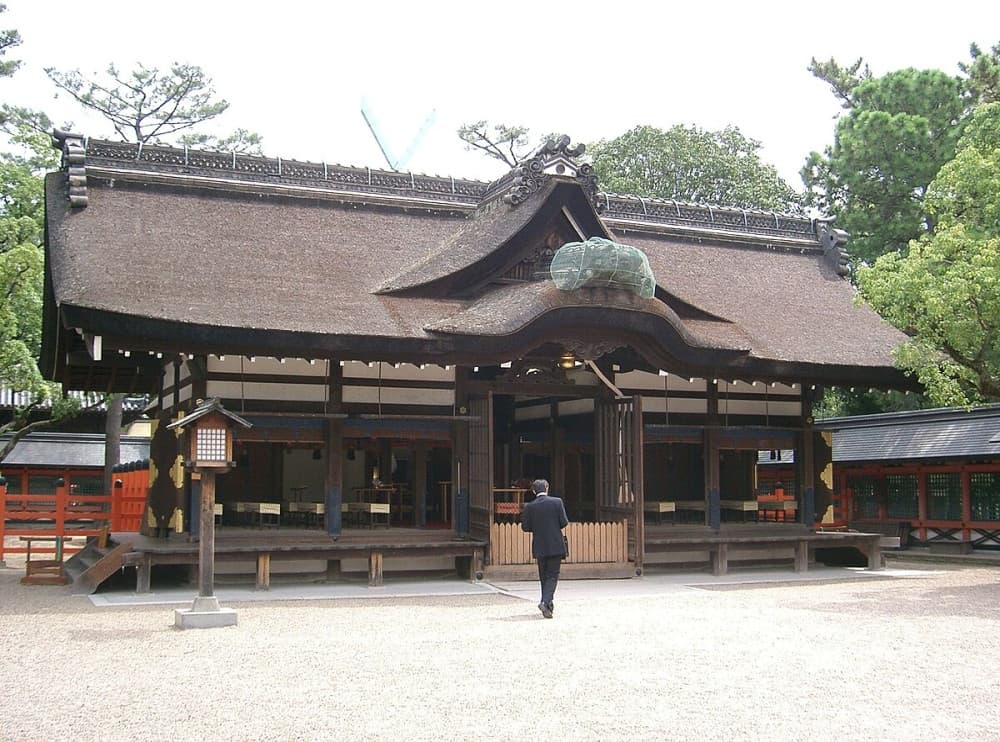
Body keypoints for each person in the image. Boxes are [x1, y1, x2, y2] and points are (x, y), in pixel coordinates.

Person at [520, 478, 568, 619]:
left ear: (533, 491)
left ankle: (547, 606)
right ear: (547, 488)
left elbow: (525, 527)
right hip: (555, 543)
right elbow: (564, 522)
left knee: (544, 576)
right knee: (552, 576)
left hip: (539, 545)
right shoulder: (557, 502)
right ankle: (545, 602)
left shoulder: (530, 506)